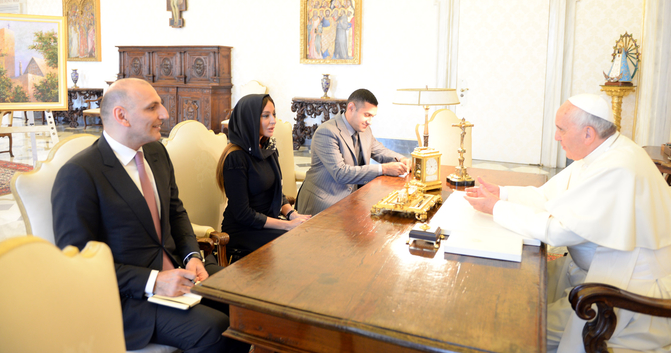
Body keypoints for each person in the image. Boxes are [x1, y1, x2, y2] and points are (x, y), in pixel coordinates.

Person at [464, 93, 671, 353]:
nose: (556, 136)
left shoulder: (618, 166)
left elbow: (558, 230)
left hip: (639, 296)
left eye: (561, 129)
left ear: (588, 133)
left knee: (521, 326)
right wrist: (502, 194)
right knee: (514, 294)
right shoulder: (600, 153)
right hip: (603, 275)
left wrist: (496, 208)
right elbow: (546, 197)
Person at [52, 78, 249, 353]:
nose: (165, 114)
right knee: (217, 329)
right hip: (126, 300)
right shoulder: (80, 174)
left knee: (250, 302)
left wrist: (192, 257)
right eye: (152, 107)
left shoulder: (156, 152)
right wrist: (154, 281)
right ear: (122, 116)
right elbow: (77, 262)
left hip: (179, 272)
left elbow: (176, 212)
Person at [217, 94, 310, 254]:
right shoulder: (235, 157)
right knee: (297, 244)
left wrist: (292, 215)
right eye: (266, 116)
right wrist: (286, 226)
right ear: (249, 119)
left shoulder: (267, 149)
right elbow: (243, 214)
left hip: (268, 224)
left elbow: (276, 193)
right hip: (243, 231)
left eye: (273, 114)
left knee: (308, 233)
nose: (273, 120)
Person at [297, 88, 411, 215]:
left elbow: (380, 151)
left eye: (372, 116)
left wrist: (402, 159)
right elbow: (341, 173)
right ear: (351, 108)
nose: (370, 121)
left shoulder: (364, 130)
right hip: (325, 203)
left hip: (354, 199)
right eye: (367, 115)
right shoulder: (327, 132)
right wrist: (383, 169)